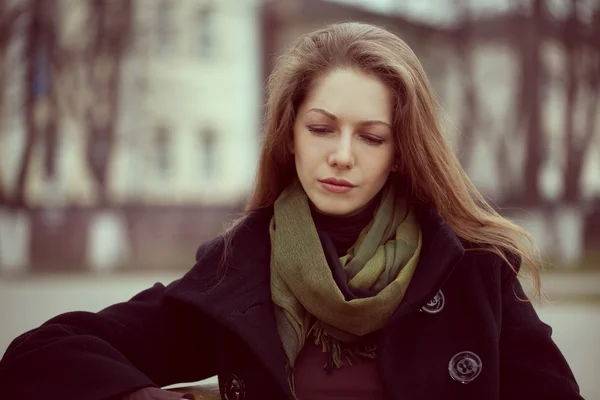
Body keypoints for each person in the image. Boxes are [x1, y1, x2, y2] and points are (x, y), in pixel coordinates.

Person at [0, 22, 582, 400]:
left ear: (402, 154)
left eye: (372, 137)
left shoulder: (473, 268)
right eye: (322, 128)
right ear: (290, 136)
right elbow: (44, 353)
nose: (342, 155)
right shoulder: (242, 266)